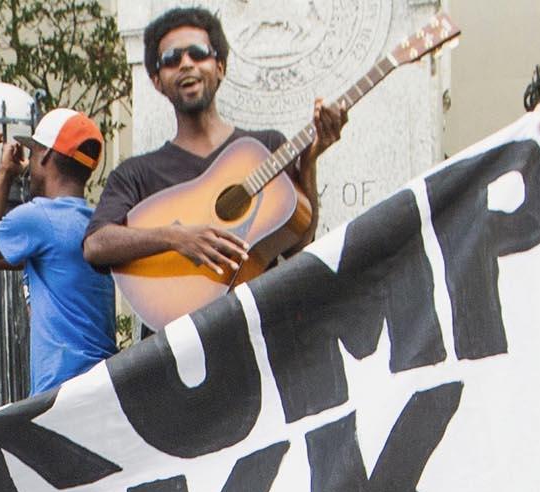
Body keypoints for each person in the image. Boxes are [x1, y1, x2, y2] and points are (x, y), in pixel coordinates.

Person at [79, 8, 343, 288]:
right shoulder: (136, 174)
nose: (186, 64)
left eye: (199, 53)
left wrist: (310, 163)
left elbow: (299, 245)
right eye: (171, 59)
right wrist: (176, 238)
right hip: (177, 329)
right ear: (157, 82)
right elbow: (96, 245)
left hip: (255, 323)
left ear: (220, 67)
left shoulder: (266, 148)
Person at [0, 111, 117, 396]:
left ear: (45, 157)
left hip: (62, 394)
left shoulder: (42, 219)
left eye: (34, 151)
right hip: (99, 389)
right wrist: (5, 175)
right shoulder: (91, 223)